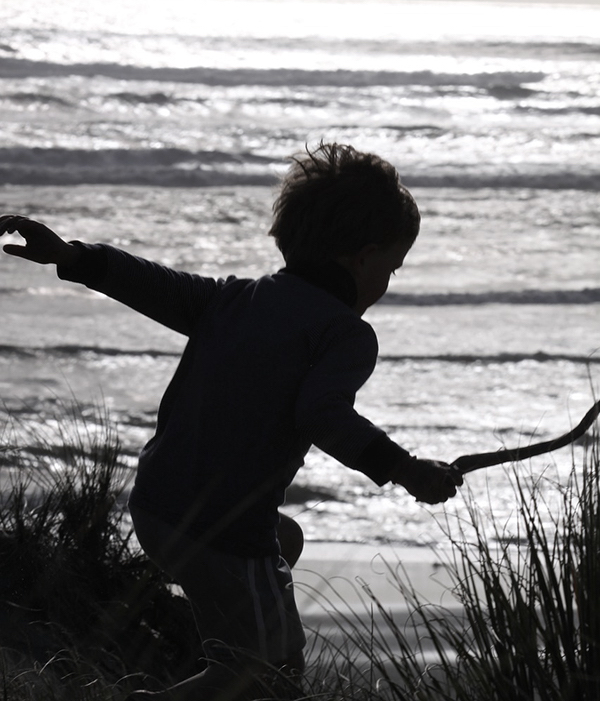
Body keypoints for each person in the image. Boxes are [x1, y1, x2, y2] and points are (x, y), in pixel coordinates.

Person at [0, 142, 463, 700]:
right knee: (272, 672)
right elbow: (322, 414)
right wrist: (405, 469)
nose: (387, 282)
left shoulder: (236, 298)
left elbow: (155, 284)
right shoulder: (345, 333)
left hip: (158, 505)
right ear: (362, 258)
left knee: (283, 539)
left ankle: (229, 620)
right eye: (391, 266)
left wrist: (73, 257)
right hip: (220, 529)